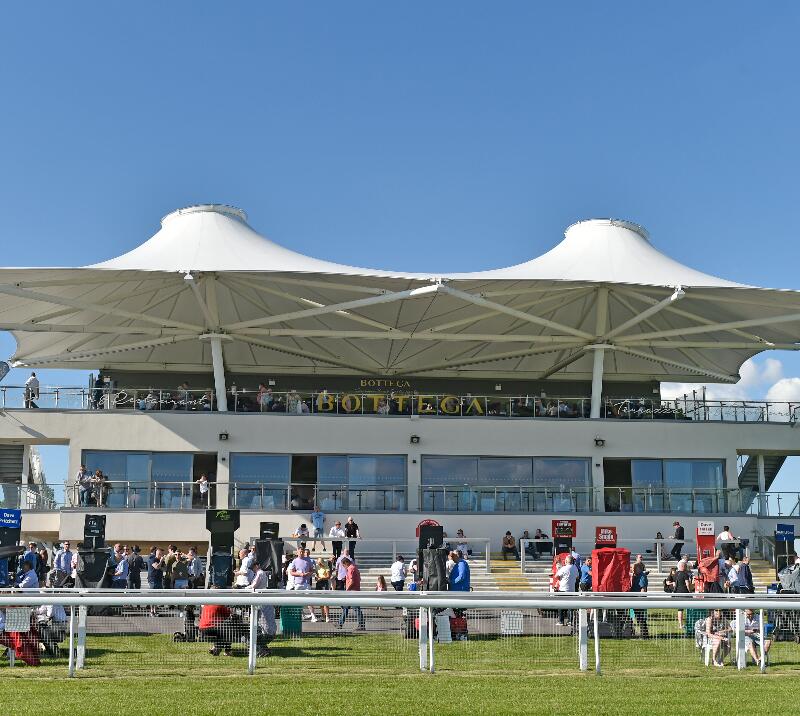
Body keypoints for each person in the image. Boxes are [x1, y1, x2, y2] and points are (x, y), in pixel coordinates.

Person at [198, 589, 234, 657]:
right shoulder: (219, 604)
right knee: (229, 630)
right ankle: (227, 651)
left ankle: (216, 648)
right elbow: (228, 614)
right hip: (213, 627)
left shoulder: (205, 605)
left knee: (221, 631)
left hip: (202, 629)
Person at [337, 557, 365, 630]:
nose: (344, 567)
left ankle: (361, 625)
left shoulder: (350, 568)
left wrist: (347, 589)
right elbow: (358, 579)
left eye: (343, 566)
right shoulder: (355, 568)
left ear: (345, 563)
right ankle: (340, 623)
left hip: (352, 592)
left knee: (356, 608)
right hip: (354, 591)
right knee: (346, 608)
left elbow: (352, 581)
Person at [554, 555, 578, 626]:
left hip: (563, 589)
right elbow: (577, 577)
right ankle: (570, 621)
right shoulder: (575, 568)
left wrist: (560, 577)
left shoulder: (563, 568)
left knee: (560, 605)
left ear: (566, 561)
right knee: (570, 606)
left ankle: (561, 621)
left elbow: (556, 576)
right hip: (572, 590)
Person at [630, 562, 649, 638]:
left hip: (638, 599)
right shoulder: (635, 575)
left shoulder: (642, 576)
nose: (632, 570)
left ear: (639, 568)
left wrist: (641, 600)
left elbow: (643, 589)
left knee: (640, 617)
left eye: (634, 568)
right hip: (633, 598)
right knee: (637, 617)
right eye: (632, 568)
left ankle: (644, 634)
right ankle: (635, 632)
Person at [674, 561, 692, 630]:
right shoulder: (685, 574)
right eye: (685, 566)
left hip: (677, 593)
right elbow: (687, 584)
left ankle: (680, 624)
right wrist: (690, 591)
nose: (686, 567)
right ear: (683, 566)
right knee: (689, 608)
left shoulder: (675, 574)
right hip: (685, 593)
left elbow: (674, 584)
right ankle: (689, 623)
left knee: (680, 609)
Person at [314, 558, 331, 622]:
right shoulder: (317, 567)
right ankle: (323, 615)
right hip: (319, 583)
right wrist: (317, 578)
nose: (319, 564)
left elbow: (328, 576)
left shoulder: (326, 567)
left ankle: (327, 616)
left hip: (324, 583)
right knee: (320, 600)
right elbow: (316, 575)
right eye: (318, 563)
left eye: (320, 563)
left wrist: (321, 578)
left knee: (325, 600)